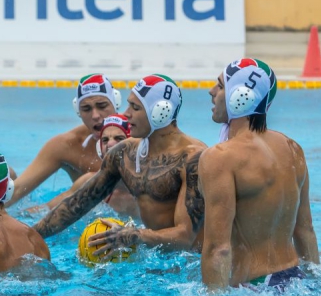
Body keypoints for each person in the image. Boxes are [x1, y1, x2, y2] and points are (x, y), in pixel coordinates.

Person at [34, 74, 206, 258]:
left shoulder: (193, 158)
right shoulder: (123, 153)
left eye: (135, 107)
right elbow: (77, 204)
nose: (126, 113)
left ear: (160, 112)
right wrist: (30, 235)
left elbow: (185, 237)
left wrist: (135, 235)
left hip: (192, 264)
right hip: (154, 258)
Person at [193, 59, 319, 291]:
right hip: (295, 280)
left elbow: (218, 249)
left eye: (220, 86)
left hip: (256, 289)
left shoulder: (219, 157)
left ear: (240, 96)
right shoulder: (292, 147)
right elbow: (305, 231)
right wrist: (316, 284)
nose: (211, 91)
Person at [8, 73, 118, 205]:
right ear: (78, 111)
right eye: (86, 109)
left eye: (102, 106)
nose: (95, 115)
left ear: (115, 103)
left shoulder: (136, 137)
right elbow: (17, 190)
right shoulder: (66, 146)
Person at [25, 114, 140, 220]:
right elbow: (45, 211)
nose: (110, 144)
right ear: (100, 150)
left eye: (119, 138)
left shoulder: (147, 186)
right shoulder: (89, 183)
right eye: (105, 140)